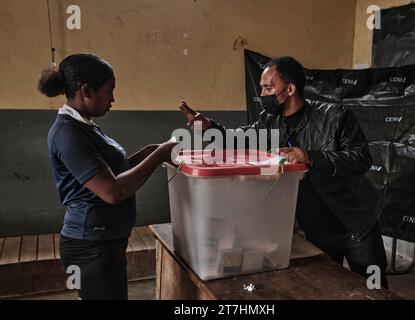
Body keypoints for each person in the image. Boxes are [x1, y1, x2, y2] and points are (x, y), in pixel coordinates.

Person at [178, 56, 389, 288]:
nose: (262, 93)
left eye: (268, 87)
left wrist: (311, 157)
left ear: (290, 89)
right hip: (317, 226)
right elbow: (239, 137)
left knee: (373, 288)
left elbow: (362, 158)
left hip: (355, 223)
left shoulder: (336, 117)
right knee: (328, 287)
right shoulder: (270, 120)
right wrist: (209, 127)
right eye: (261, 87)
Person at [38, 53, 177, 300]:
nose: (113, 98)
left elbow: (110, 173)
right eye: (109, 90)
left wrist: (148, 153)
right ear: (86, 91)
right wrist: (159, 156)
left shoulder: (84, 125)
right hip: (91, 245)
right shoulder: (68, 133)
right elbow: (112, 191)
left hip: (103, 242)